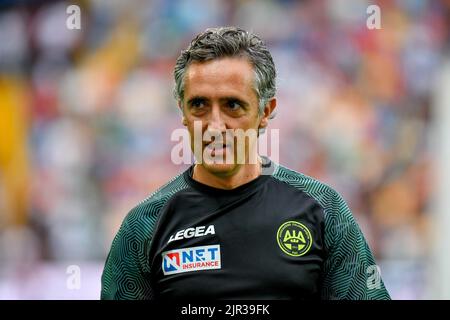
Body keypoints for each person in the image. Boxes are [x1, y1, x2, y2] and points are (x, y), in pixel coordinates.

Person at [101, 26, 391, 300]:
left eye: (232, 105)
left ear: (266, 111)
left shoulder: (323, 211)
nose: (215, 126)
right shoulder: (144, 228)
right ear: (183, 112)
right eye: (199, 105)